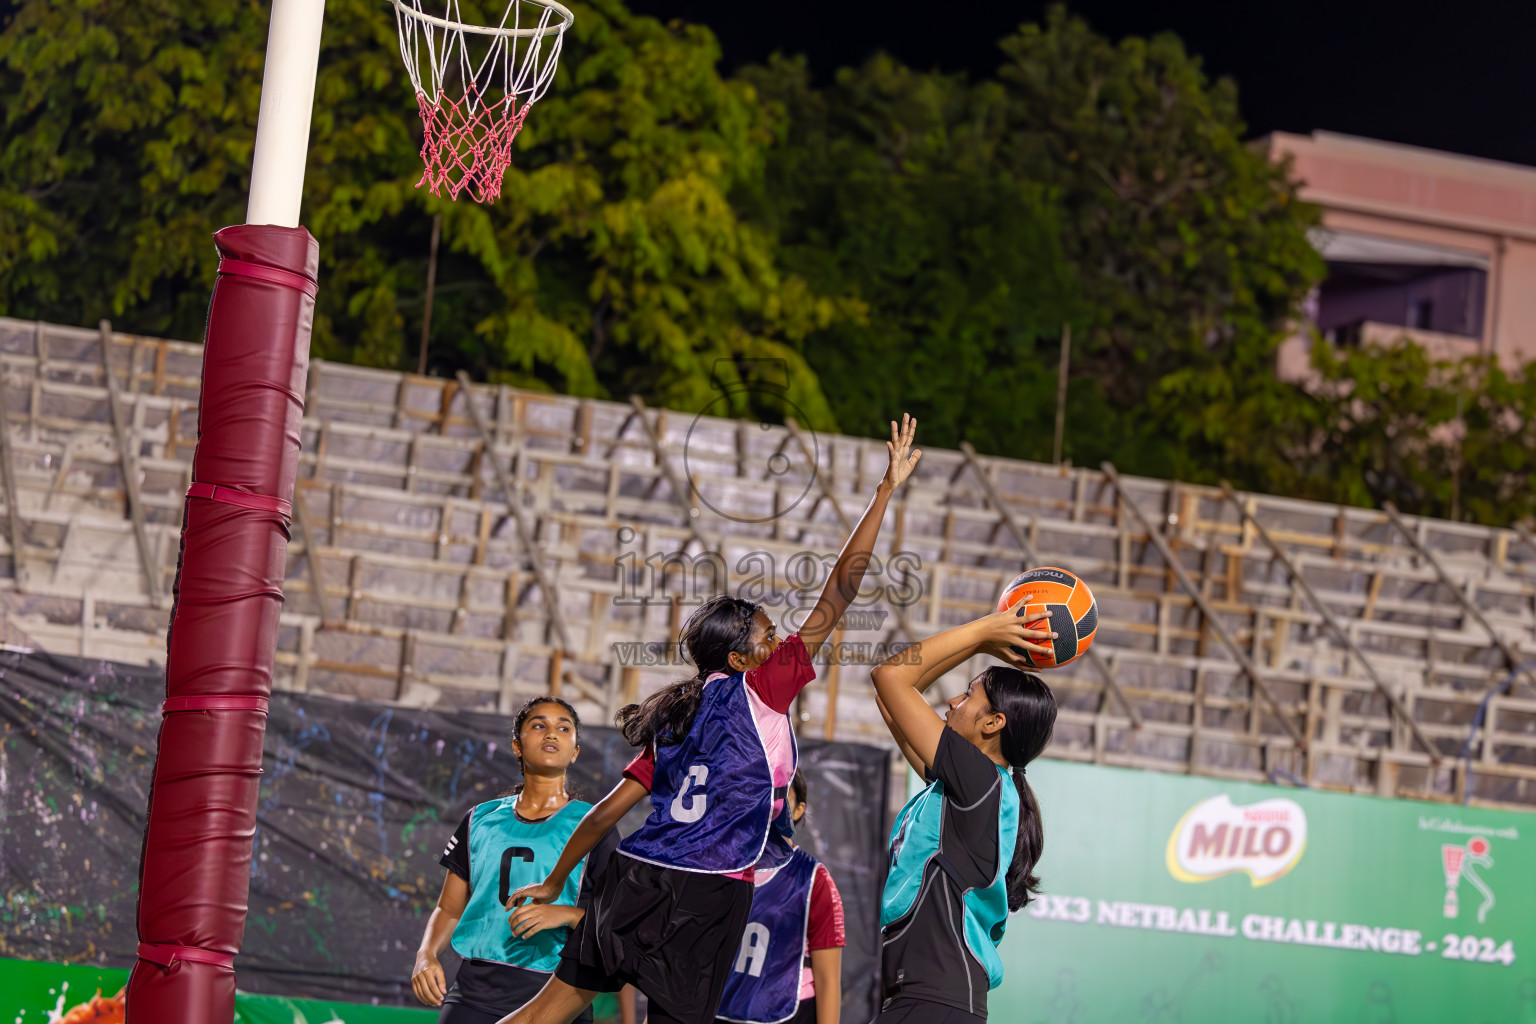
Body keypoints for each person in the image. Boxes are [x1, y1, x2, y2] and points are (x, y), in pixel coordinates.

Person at [495, 415, 924, 1024]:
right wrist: (885, 490)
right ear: (740, 656)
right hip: (708, 891)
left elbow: (604, 814)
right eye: (769, 636)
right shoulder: (763, 690)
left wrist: (556, 880)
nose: (780, 644)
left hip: (636, 877)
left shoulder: (676, 714)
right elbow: (839, 592)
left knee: (543, 1015)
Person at [868, 609, 1059, 1023]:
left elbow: (890, 676)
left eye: (969, 694)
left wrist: (984, 631)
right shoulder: (962, 788)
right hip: (922, 999)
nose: (953, 700)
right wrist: (981, 644)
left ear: (993, 722)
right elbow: (889, 696)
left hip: (936, 1001)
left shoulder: (979, 780)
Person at [412, 697, 622, 1024]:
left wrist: (566, 914)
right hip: (475, 992)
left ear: (575, 750)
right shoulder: (480, 819)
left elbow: (619, 921)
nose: (551, 734)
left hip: (560, 992)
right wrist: (425, 955)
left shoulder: (594, 826)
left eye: (563, 728)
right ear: (517, 746)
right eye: (539, 725)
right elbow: (449, 908)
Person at [713, 768, 845, 1024]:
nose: (769, 802)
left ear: (798, 810)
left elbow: (828, 980)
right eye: (761, 791)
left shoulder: (813, 878)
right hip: (720, 1013)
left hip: (787, 1015)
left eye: (781, 795)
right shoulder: (721, 865)